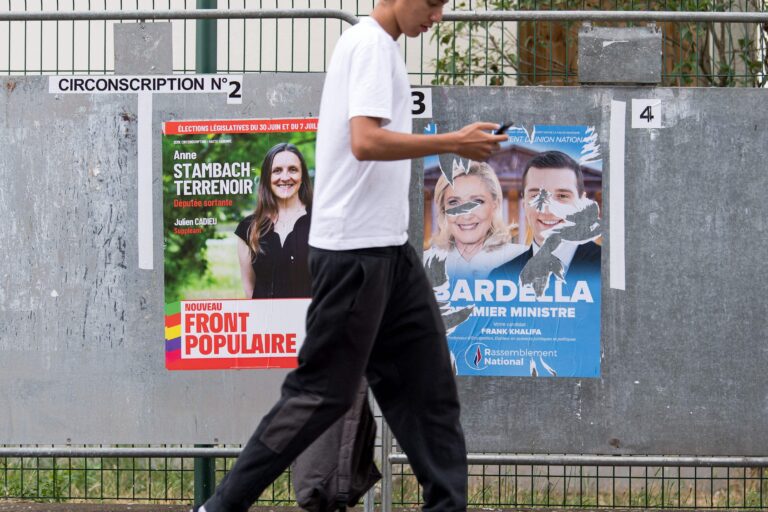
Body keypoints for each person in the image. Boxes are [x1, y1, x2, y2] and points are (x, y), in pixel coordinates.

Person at [196, 0, 507, 509]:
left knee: (430, 395)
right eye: (431, 3)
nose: (438, 16)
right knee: (322, 395)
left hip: (389, 251)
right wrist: (454, 141)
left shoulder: (381, 47)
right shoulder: (368, 45)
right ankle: (220, 506)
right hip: (354, 258)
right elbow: (364, 141)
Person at [489, 150, 601, 284]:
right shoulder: (501, 277)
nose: (548, 210)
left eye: (562, 196)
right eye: (537, 196)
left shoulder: (610, 267)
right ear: (524, 202)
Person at [234, 142, 312, 299]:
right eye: (277, 171)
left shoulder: (320, 221)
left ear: (302, 176)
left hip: (310, 321)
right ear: (266, 178)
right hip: (266, 322)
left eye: (293, 169)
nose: (285, 177)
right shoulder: (248, 228)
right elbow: (250, 289)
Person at [425, 160, 526, 280]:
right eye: (454, 202)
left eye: (477, 201)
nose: (466, 216)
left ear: (495, 205)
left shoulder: (524, 261)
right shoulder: (422, 265)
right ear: (443, 209)